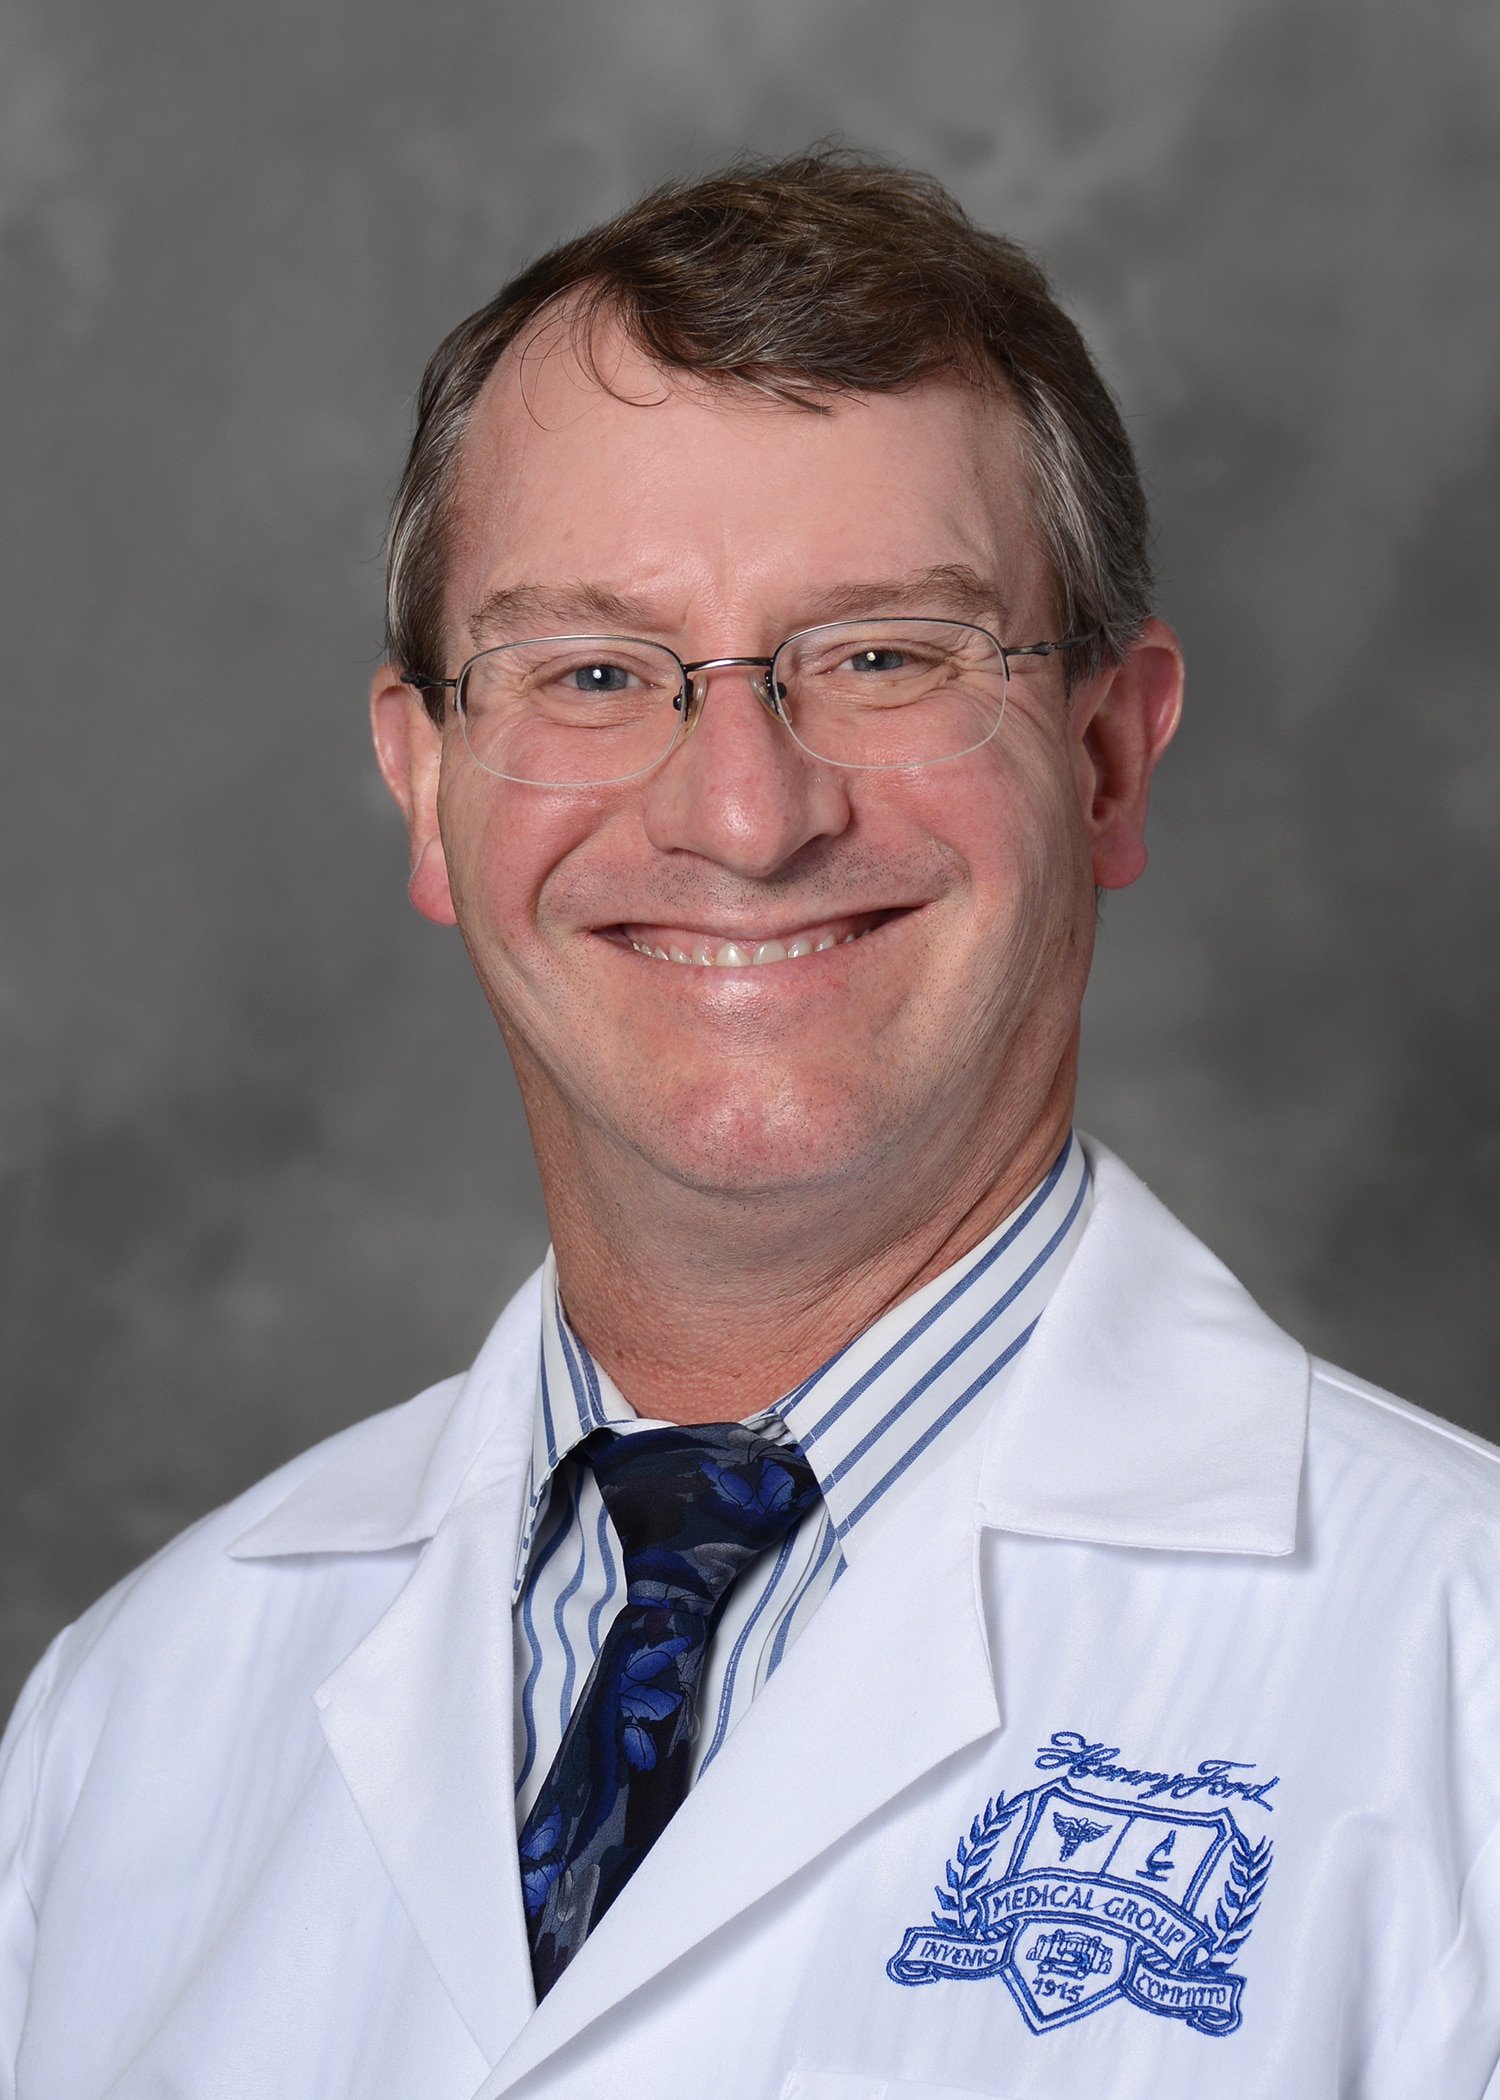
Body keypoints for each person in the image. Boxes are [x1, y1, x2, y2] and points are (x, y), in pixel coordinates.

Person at [1, 150, 1496, 2100]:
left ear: (1111, 755)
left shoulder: (1459, 1686)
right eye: (595, 673)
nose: (743, 813)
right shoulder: (130, 1724)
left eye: (885, 655)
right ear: (426, 785)